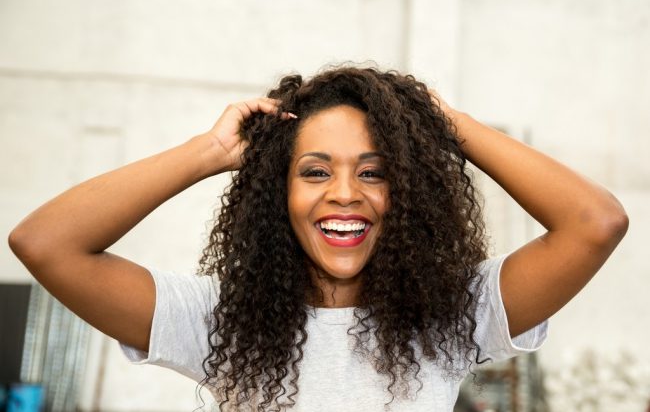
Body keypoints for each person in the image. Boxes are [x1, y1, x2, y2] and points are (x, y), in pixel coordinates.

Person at [8, 67, 628, 412]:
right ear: (278, 194)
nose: (344, 193)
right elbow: (45, 243)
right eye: (315, 171)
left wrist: (450, 128)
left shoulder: (448, 317)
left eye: (374, 171)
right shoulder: (223, 322)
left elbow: (594, 223)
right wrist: (211, 151)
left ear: (406, 193)